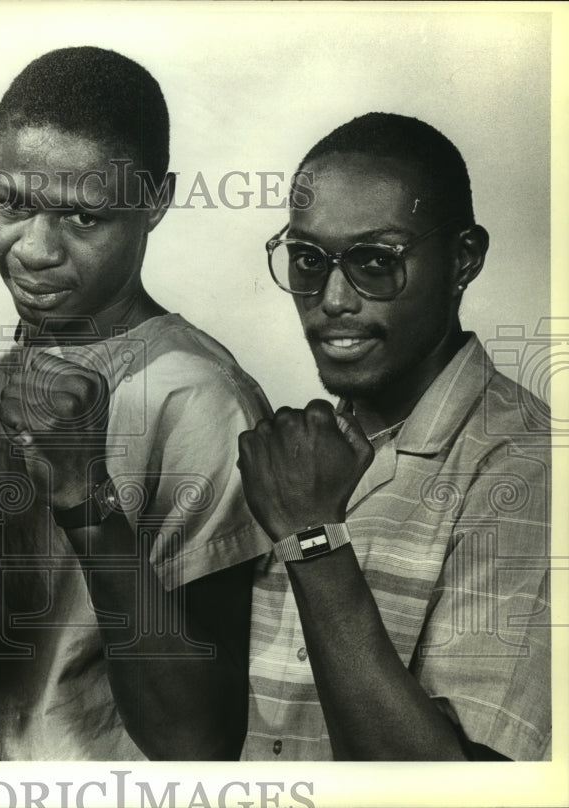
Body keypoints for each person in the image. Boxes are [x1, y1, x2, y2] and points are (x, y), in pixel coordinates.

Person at [0, 46, 272, 761]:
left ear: (155, 200)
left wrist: (88, 500)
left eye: (83, 218)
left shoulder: (200, 401)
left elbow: (200, 740)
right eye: (12, 203)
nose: (35, 250)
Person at [237, 112, 551, 760]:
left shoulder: (530, 471)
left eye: (375, 262)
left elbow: (460, 796)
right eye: (306, 259)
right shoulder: (295, 458)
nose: (332, 299)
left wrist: (312, 539)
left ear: (463, 258)